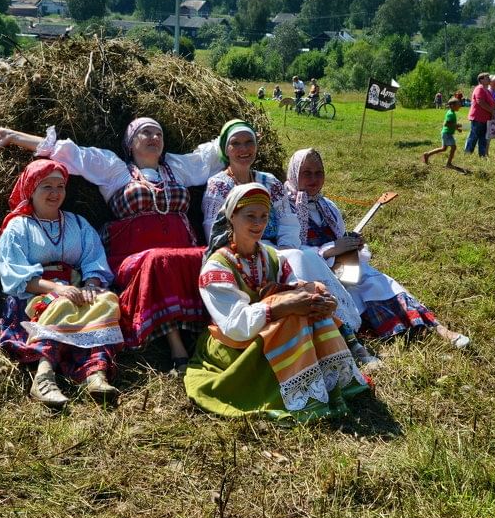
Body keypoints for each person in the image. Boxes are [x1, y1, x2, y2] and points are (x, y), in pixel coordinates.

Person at [0, 118, 222, 370]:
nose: (154, 138)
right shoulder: (114, 169)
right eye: (145, 133)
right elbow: (70, 154)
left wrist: (242, 136)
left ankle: (210, 338)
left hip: (182, 245)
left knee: (209, 258)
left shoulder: (177, 167)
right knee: (157, 260)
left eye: (158, 134)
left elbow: (213, 155)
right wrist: (13, 136)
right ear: (130, 144)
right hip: (134, 251)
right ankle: (177, 350)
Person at [184, 183, 371, 421]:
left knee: (307, 306)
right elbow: (235, 326)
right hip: (233, 345)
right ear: (232, 216)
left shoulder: (271, 258)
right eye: (250, 216)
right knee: (292, 314)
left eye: (264, 217)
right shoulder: (217, 267)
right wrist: (282, 305)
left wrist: (320, 300)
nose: (258, 223)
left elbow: (293, 286)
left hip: (267, 331)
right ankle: (301, 395)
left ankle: (333, 383)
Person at [201, 120, 378, 366]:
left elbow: (288, 220)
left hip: (278, 247)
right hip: (242, 248)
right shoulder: (219, 184)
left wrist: (285, 248)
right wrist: (263, 249)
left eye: (249, 142)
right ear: (225, 149)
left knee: (304, 255)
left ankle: (340, 328)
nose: (244, 149)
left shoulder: (269, 181)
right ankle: (334, 334)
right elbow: (215, 228)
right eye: (236, 144)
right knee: (297, 258)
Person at [286, 149, 469, 348]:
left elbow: (340, 238)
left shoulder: (327, 206)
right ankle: (381, 335)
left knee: (383, 284)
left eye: (319, 173)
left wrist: (353, 245)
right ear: (294, 173)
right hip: (317, 274)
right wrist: (329, 251)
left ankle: (439, 329)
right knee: (351, 297)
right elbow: (290, 250)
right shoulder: (286, 208)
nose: (314, 178)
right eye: (307, 173)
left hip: (344, 268)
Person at [0, 160, 123, 408]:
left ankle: (94, 373)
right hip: (35, 294)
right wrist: (57, 288)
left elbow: (93, 258)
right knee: (59, 303)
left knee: (106, 300)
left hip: (74, 289)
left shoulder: (77, 223)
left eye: (60, 186)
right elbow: (14, 274)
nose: (55, 193)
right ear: (31, 189)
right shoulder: (17, 226)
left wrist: (91, 283)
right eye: (47, 187)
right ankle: (44, 375)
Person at [423, 96, 463, 169]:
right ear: (452, 106)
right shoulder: (451, 114)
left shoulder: (452, 112)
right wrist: (456, 125)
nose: (460, 106)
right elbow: (446, 124)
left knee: (443, 148)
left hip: (446, 133)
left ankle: (427, 154)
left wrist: (457, 128)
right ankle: (449, 163)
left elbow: (451, 124)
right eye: (458, 104)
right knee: (453, 147)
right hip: (447, 134)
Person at [464, 73, 495, 157]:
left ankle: (482, 156)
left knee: (483, 138)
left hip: (486, 119)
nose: (489, 79)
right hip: (478, 117)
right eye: (487, 78)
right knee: (474, 137)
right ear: (481, 80)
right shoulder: (479, 88)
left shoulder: (487, 90)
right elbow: (480, 102)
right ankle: (467, 154)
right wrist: (491, 111)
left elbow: (492, 103)